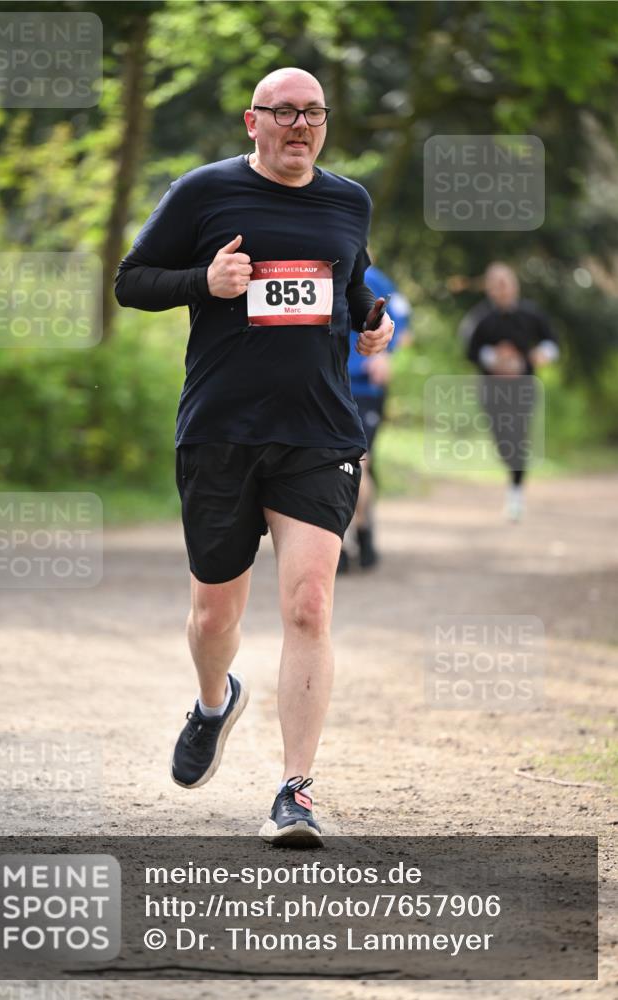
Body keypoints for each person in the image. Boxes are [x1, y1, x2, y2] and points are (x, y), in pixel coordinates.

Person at [114, 68, 394, 845]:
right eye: (284, 113)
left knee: (309, 604)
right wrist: (203, 280)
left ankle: (294, 791)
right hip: (220, 429)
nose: (300, 125)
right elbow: (129, 282)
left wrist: (370, 324)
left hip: (318, 430)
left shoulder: (348, 199)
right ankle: (213, 701)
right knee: (214, 614)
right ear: (252, 122)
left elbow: (350, 284)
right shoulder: (203, 193)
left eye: (313, 113)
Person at [462, 263, 559, 521]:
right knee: (502, 438)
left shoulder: (531, 314)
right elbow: (470, 350)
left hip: (523, 387)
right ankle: (512, 474)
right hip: (492, 389)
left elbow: (552, 342)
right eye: (495, 283)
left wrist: (542, 354)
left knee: (518, 436)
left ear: (514, 284)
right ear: (489, 288)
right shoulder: (480, 318)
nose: (501, 288)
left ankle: (516, 492)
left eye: (505, 282)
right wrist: (494, 357)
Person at [338, 265, 411, 572]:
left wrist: (387, 352)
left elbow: (404, 321)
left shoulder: (376, 278)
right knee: (331, 463)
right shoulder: (314, 265)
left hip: (365, 385)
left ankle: (362, 532)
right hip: (326, 381)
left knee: (358, 460)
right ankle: (340, 541)